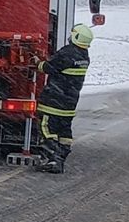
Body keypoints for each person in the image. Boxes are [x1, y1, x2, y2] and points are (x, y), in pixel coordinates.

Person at [34, 23, 92, 173]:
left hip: (53, 102)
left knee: (46, 128)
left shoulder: (67, 53)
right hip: (69, 104)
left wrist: (36, 62)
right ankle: (60, 157)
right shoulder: (84, 57)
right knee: (64, 132)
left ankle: (53, 157)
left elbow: (48, 67)